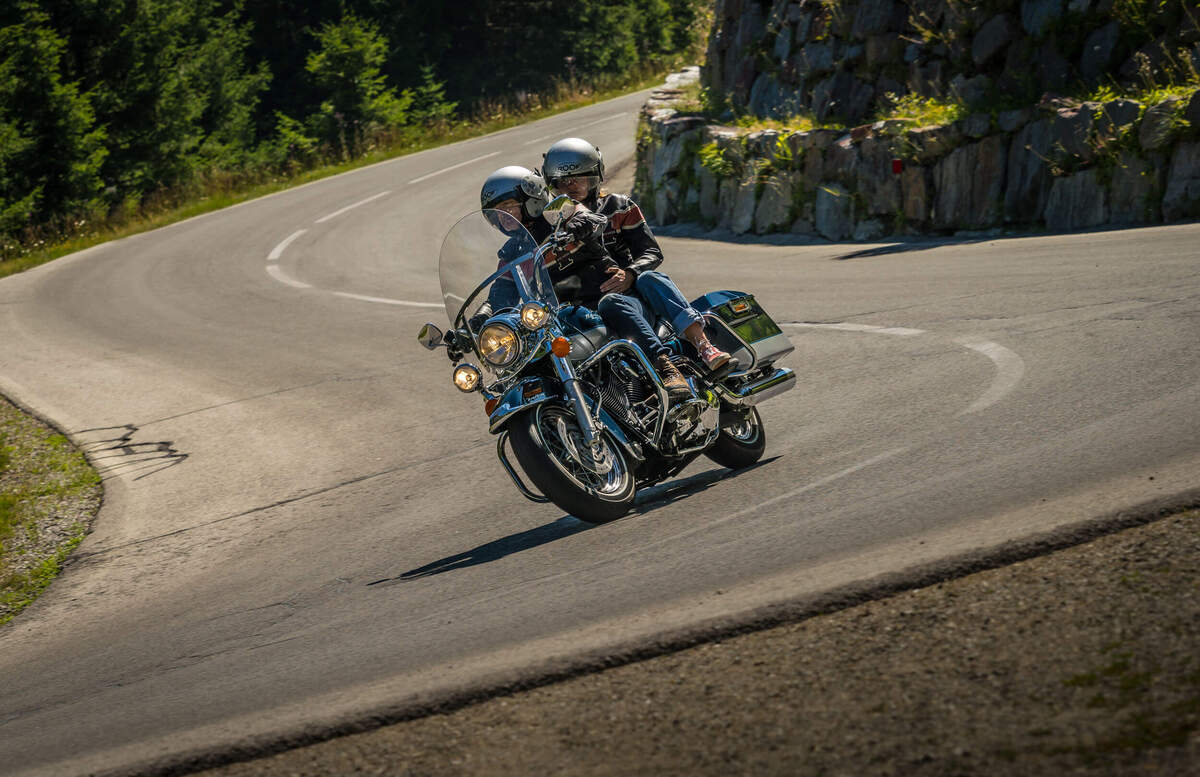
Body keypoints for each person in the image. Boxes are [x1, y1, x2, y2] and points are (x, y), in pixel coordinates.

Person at [540, 138, 733, 396]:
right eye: (562, 182)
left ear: (595, 176)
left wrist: (630, 274)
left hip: (633, 297)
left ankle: (696, 350)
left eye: (578, 179)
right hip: (589, 311)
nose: (570, 187)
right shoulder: (554, 228)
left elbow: (651, 251)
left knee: (649, 278)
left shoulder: (619, 206)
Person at [474, 165, 604, 336]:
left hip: (598, 304)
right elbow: (501, 296)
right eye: (496, 212)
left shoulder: (560, 216)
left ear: (532, 197)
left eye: (507, 205)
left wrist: (581, 222)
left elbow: (593, 219)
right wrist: (479, 320)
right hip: (554, 324)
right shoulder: (512, 253)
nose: (502, 216)